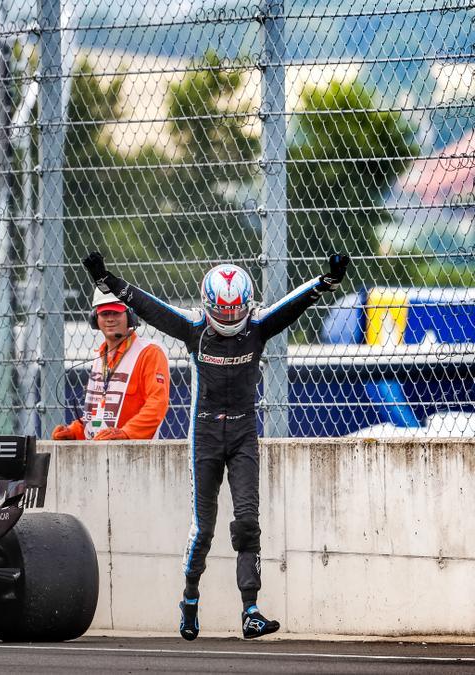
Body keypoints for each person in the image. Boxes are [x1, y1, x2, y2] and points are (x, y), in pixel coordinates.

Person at [80, 250, 350, 641]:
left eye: (233, 312)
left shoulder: (258, 328)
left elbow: (292, 305)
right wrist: (108, 281)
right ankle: (190, 599)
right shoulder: (194, 330)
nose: (226, 319)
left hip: (243, 435)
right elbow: (151, 307)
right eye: (219, 313)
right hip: (204, 436)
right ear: (208, 306)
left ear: (246, 305)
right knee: (203, 529)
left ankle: (251, 610)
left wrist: (328, 281)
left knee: (247, 524)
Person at [53, 288, 170, 441]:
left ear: (130, 316)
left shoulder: (149, 353)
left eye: (116, 313)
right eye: (105, 313)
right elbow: (97, 415)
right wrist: (75, 431)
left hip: (136, 454)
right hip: (98, 454)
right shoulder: (99, 358)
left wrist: (126, 433)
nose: (110, 319)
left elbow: (157, 405)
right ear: (95, 318)